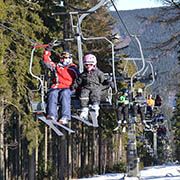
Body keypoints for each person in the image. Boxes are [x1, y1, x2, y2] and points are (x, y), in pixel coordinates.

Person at [43, 48, 79, 124]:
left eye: (65, 58)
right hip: (57, 87)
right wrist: (47, 51)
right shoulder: (57, 67)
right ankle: (52, 115)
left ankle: (65, 116)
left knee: (64, 93)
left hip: (68, 88)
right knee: (52, 93)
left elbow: (79, 79)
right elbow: (47, 62)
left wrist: (76, 87)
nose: (63, 60)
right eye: (62, 58)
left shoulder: (73, 68)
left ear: (70, 59)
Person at [72, 53, 105, 122]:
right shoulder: (83, 74)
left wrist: (107, 82)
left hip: (95, 86)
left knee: (95, 94)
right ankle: (84, 109)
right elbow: (79, 81)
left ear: (94, 64)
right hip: (86, 87)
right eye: (86, 65)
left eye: (90, 64)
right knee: (83, 94)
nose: (88, 66)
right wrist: (74, 86)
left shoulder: (98, 72)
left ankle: (95, 106)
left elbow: (102, 79)